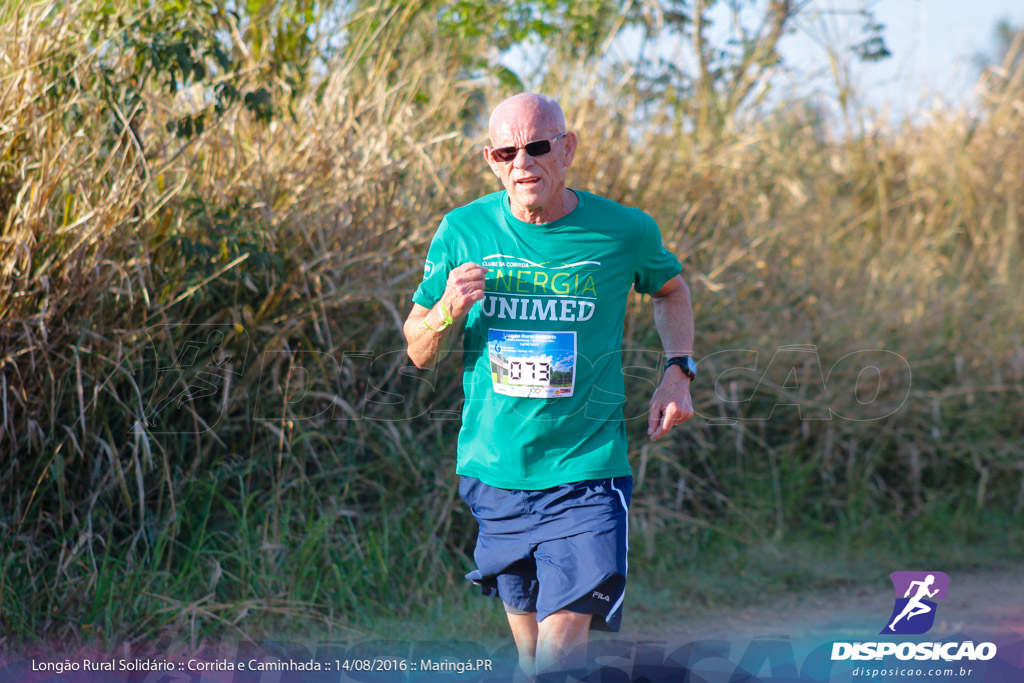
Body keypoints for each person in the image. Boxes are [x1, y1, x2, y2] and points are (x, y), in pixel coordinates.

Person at [403, 93, 695, 679]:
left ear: (568, 148)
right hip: (495, 469)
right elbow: (417, 348)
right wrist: (445, 311)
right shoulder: (462, 230)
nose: (523, 164)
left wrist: (678, 370)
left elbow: (672, 290)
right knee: (531, 656)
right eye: (507, 152)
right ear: (490, 158)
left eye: (538, 147)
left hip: (587, 471)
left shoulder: (624, 230)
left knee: (561, 653)